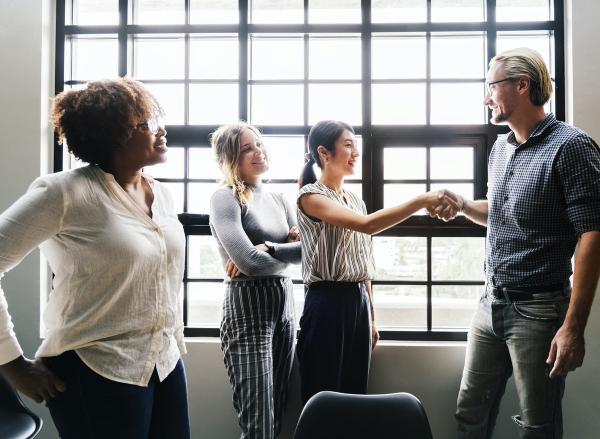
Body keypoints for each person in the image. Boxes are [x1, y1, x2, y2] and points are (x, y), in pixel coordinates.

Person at [0, 78, 190, 438]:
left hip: (163, 362)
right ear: (114, 134)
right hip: (94, 368)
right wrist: (11, 365)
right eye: (147, 124)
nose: (162, 130)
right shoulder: (64, 192)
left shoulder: (160, 194)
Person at [431, 48, 600, 438]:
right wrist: (463, 206)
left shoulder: (571, 146)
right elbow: (503, 211)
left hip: (539, 310)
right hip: (489, 304)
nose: (486, 97)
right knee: (469, 414)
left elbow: (593, 233)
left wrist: (573, 327)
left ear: (522, 85)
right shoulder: (501, 147)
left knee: (537, 425)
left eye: (491, 86)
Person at [296, 120, 450, 403]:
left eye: (356, 145)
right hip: (326, 304)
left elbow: (364, 262)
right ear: (324, 152)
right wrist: (420, 201)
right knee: (323, 396)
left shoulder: (355, 200)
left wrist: (372, 317)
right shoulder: (311, 197)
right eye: (348, 144)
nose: (355, 151)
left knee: (355, 394)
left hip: (359, 303)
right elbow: (367, 226)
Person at [209, 122, 301, 439]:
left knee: (278, 412)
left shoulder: (278, 199)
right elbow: (248, 262)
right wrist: (284, 252)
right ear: (230, 158)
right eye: (246, 148)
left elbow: (311, 252)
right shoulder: (225, 198)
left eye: (258, 144)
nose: (257, 151)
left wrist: (271, 249)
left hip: (284, 306)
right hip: (246, 310)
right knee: (258, 422)